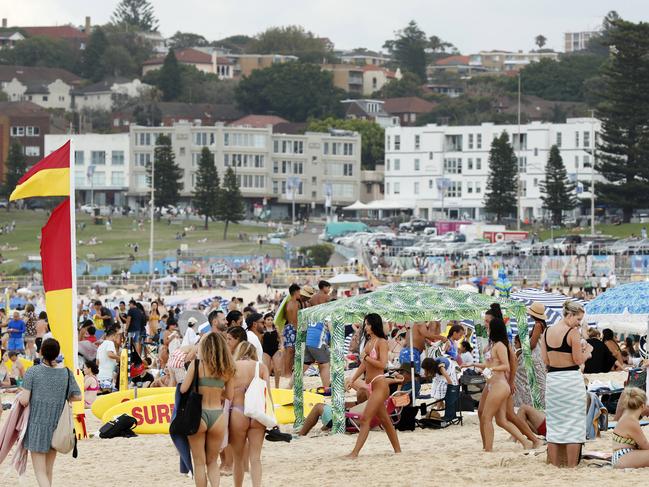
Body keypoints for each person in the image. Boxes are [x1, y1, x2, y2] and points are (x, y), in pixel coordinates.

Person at [18, 338, 82, 487]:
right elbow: (77, 396)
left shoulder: (33, 372)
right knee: (48, 471)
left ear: (41, 352)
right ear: (57, 353)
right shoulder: (66, 373)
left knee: (40, 472)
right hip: (56, 426)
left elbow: (24, 400)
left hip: (37, 427)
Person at [540, 300, 591, 467]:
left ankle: (554, 466)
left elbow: (545, 360)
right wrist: (587, 352)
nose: (578, 324)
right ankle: (571, 467)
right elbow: (577, 360)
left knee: (554, 426)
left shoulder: (547, 331)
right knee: (574, 425)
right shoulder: (572, 333)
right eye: (578, 319)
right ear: (569, 315)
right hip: (570, 380)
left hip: (553, 380)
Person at [181, 332, 235, 487]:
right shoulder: (228, 369)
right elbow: (230, 395)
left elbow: (184, 389)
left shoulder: (196, 365)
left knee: (199, 463)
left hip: (199, 414)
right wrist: (216, 390)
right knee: (212, 462)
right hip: (217, 416)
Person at [345, 313, 401, 458]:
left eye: (368, 324)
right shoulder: (370, 342)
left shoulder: (381, 342)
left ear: (374, 325)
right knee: (385, 420)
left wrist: (367, 357)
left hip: (380, 385)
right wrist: (353, 379)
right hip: (373, 386)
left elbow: (383, 364)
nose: (365, 327)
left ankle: (354, 453)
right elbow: (363, 365)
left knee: (365, 419)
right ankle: (398, 450)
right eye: (365, 324)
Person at [474, 317, 532, 451]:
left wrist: (492, 369)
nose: (486, 328)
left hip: (499, 385)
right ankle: (525, 442)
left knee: (486, 417)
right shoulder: (494, 345)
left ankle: (488, 449)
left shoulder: (500, 345)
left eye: (488, 326)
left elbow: (506, 365)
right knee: (501, 420)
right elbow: (489, 365)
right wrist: (472, 364)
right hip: (494, 384)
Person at [229, 342, 270, 487]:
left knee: (238, 458)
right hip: (257, 412)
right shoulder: (261, 367)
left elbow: (228, 395)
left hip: (238, 411)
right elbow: (268, 395)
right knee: (255, 458)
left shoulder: (232, 367)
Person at [611, 387, 649, 468]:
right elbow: (645, 445)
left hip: (620, 455)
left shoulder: (626, 416)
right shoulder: (632, 422)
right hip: (622, 457)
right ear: (642, 406)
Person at [304, 317, 332, 388]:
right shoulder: (328, 313)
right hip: (318, 343)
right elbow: (332, 332)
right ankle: (326, 387)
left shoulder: (314, 312)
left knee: (303, 365)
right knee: (325, 365)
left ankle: (289, 385)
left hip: (308, 342)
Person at [282, 284, 302, 379]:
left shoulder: (290, 303)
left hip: (290, 327)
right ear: (296, 292)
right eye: (299, 292)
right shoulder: (292, 303)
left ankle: (288, 372)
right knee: (289, 352)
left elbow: (284, 317)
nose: (300, 294)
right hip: (292, 328)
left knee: (292, 351)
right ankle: (286, 373)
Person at [261, 312, 282, 389]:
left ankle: (277, 386)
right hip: (266, 351)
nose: (270, 321)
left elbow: (280, 338)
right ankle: (267, 386)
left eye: (271, 319)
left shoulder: (275, 328)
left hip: (275, 350)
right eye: (268, 319)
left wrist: (281, 345)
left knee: (278, 369)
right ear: (265, 320)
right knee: (267, 370)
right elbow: (260, 341)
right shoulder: (262, 330)